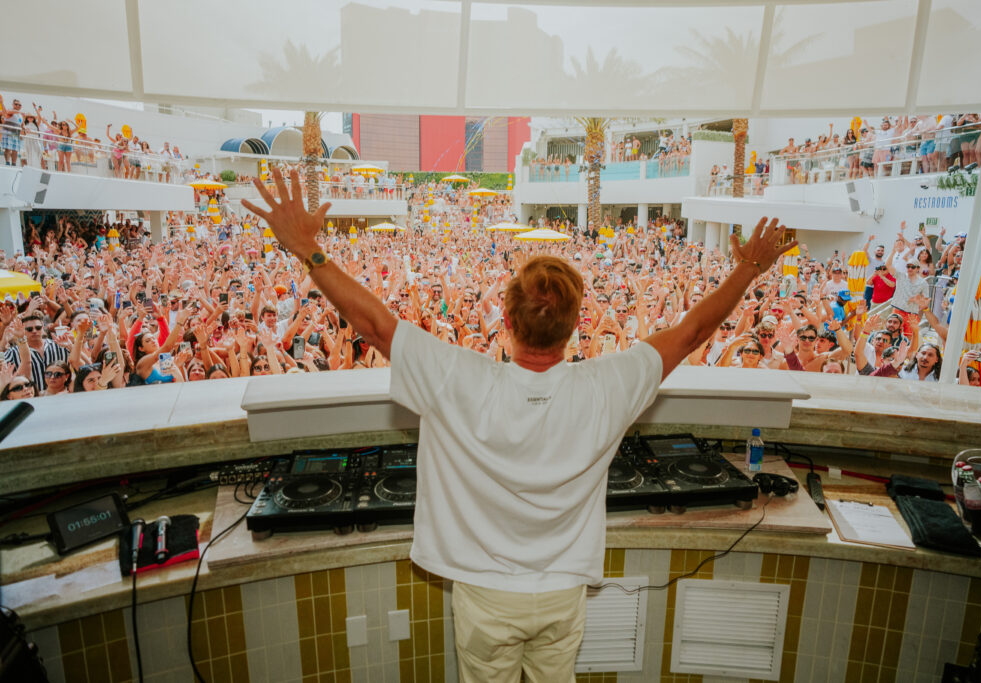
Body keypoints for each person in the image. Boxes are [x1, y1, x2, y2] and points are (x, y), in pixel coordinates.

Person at [241, 168, 796, 682]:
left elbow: (374, 325)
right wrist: (748, 267)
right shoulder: (607, 385)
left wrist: (306, 247)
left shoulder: (458, 377)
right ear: (576, 325)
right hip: (562, 594)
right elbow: (694, 331)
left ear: (505, 320)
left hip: (485, 595)